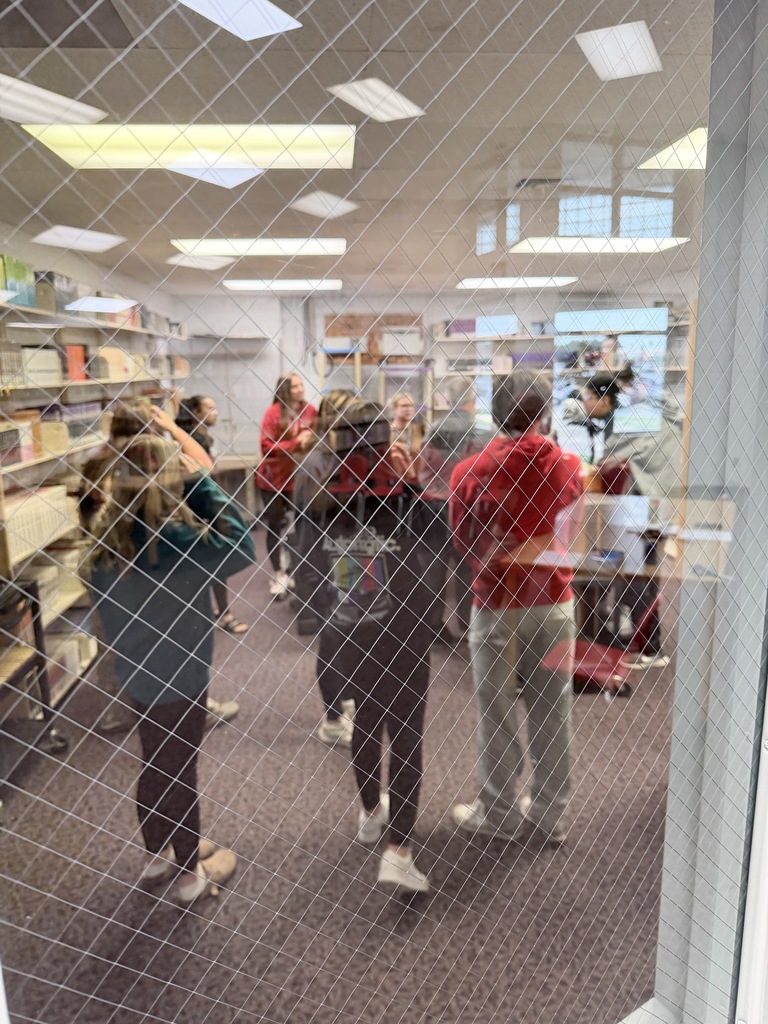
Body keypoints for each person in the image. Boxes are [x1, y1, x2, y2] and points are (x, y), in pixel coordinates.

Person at [87, 434, 256, 905]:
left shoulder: (107, 538)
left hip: (135, 674)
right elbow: (242, 546)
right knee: (180, 771)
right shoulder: (177, 541)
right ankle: (190, 875)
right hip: (181, 676)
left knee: (154, 759)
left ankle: (157, 852)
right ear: (168, 482)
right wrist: (200, 482)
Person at [293, 395, 433, 892]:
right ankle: (399, 849)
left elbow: (304, 566)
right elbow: (432, 553)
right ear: (380, 433)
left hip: (349, 630)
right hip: (404, 630)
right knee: (408, 734)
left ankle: (371, 811)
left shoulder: (318, 486)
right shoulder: (400, 484)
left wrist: (331, 612)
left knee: (367, 723)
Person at [449, 370, 583, 844]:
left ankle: (499, 811)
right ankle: (549, 815)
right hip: (554, 602)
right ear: (545, 415)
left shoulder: (468, 472)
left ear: (495, 413)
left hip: (496, 602)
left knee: (498, 710)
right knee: (553, 707)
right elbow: (571, 531)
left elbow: (463, 545)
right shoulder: (568, 465)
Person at [80, 400, 240, 734]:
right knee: (176, 635)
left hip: (110, 559)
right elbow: (203, 466)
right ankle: (192, 702)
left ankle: (122, 708)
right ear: (150, 425)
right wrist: (174, 428)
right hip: (158, 556)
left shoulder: (96, 460)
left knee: (114, 638)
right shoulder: (148, 457)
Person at [416, 378, 494, 646]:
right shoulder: (483, 430)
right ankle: (468, 622)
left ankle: (432, 626)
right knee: (467, 567)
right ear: (472, 400)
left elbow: (423, 468)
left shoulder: (434, 429)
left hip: (431, 506)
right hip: (466, 507)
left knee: (432, 569)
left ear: (447, 400)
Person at [176, 395, 248, 636]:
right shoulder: (194, 440)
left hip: (201, 505)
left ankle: (217, 613)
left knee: (211, 562)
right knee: (215, 561)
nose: (216, 412)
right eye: (210, 408)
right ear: (195, 412)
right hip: (200, 508)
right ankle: (224, 614)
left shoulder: (198, 437)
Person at [255, 373, 317, 600]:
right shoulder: (273, 413)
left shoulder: (310, 410)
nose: (301, 389)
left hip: (300, 480)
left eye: (302, 385)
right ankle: (279, 573)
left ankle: (298, 569)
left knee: (303, 523)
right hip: (274, 481)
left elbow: (318, 436)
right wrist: (294, 443)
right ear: (284, 390)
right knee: (276, 525)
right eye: (295, 387)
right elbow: (266, 446)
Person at [550, 372, 623, 465]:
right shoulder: (603, 420)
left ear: (604, 400)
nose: (584, 401)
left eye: (588, 397)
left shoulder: (619, 428)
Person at [388, 391, 424, 458]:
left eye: (411, 406)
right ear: (393, 408)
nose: (409, 409)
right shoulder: (387, 432)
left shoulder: (420, 430)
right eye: (404, 406)